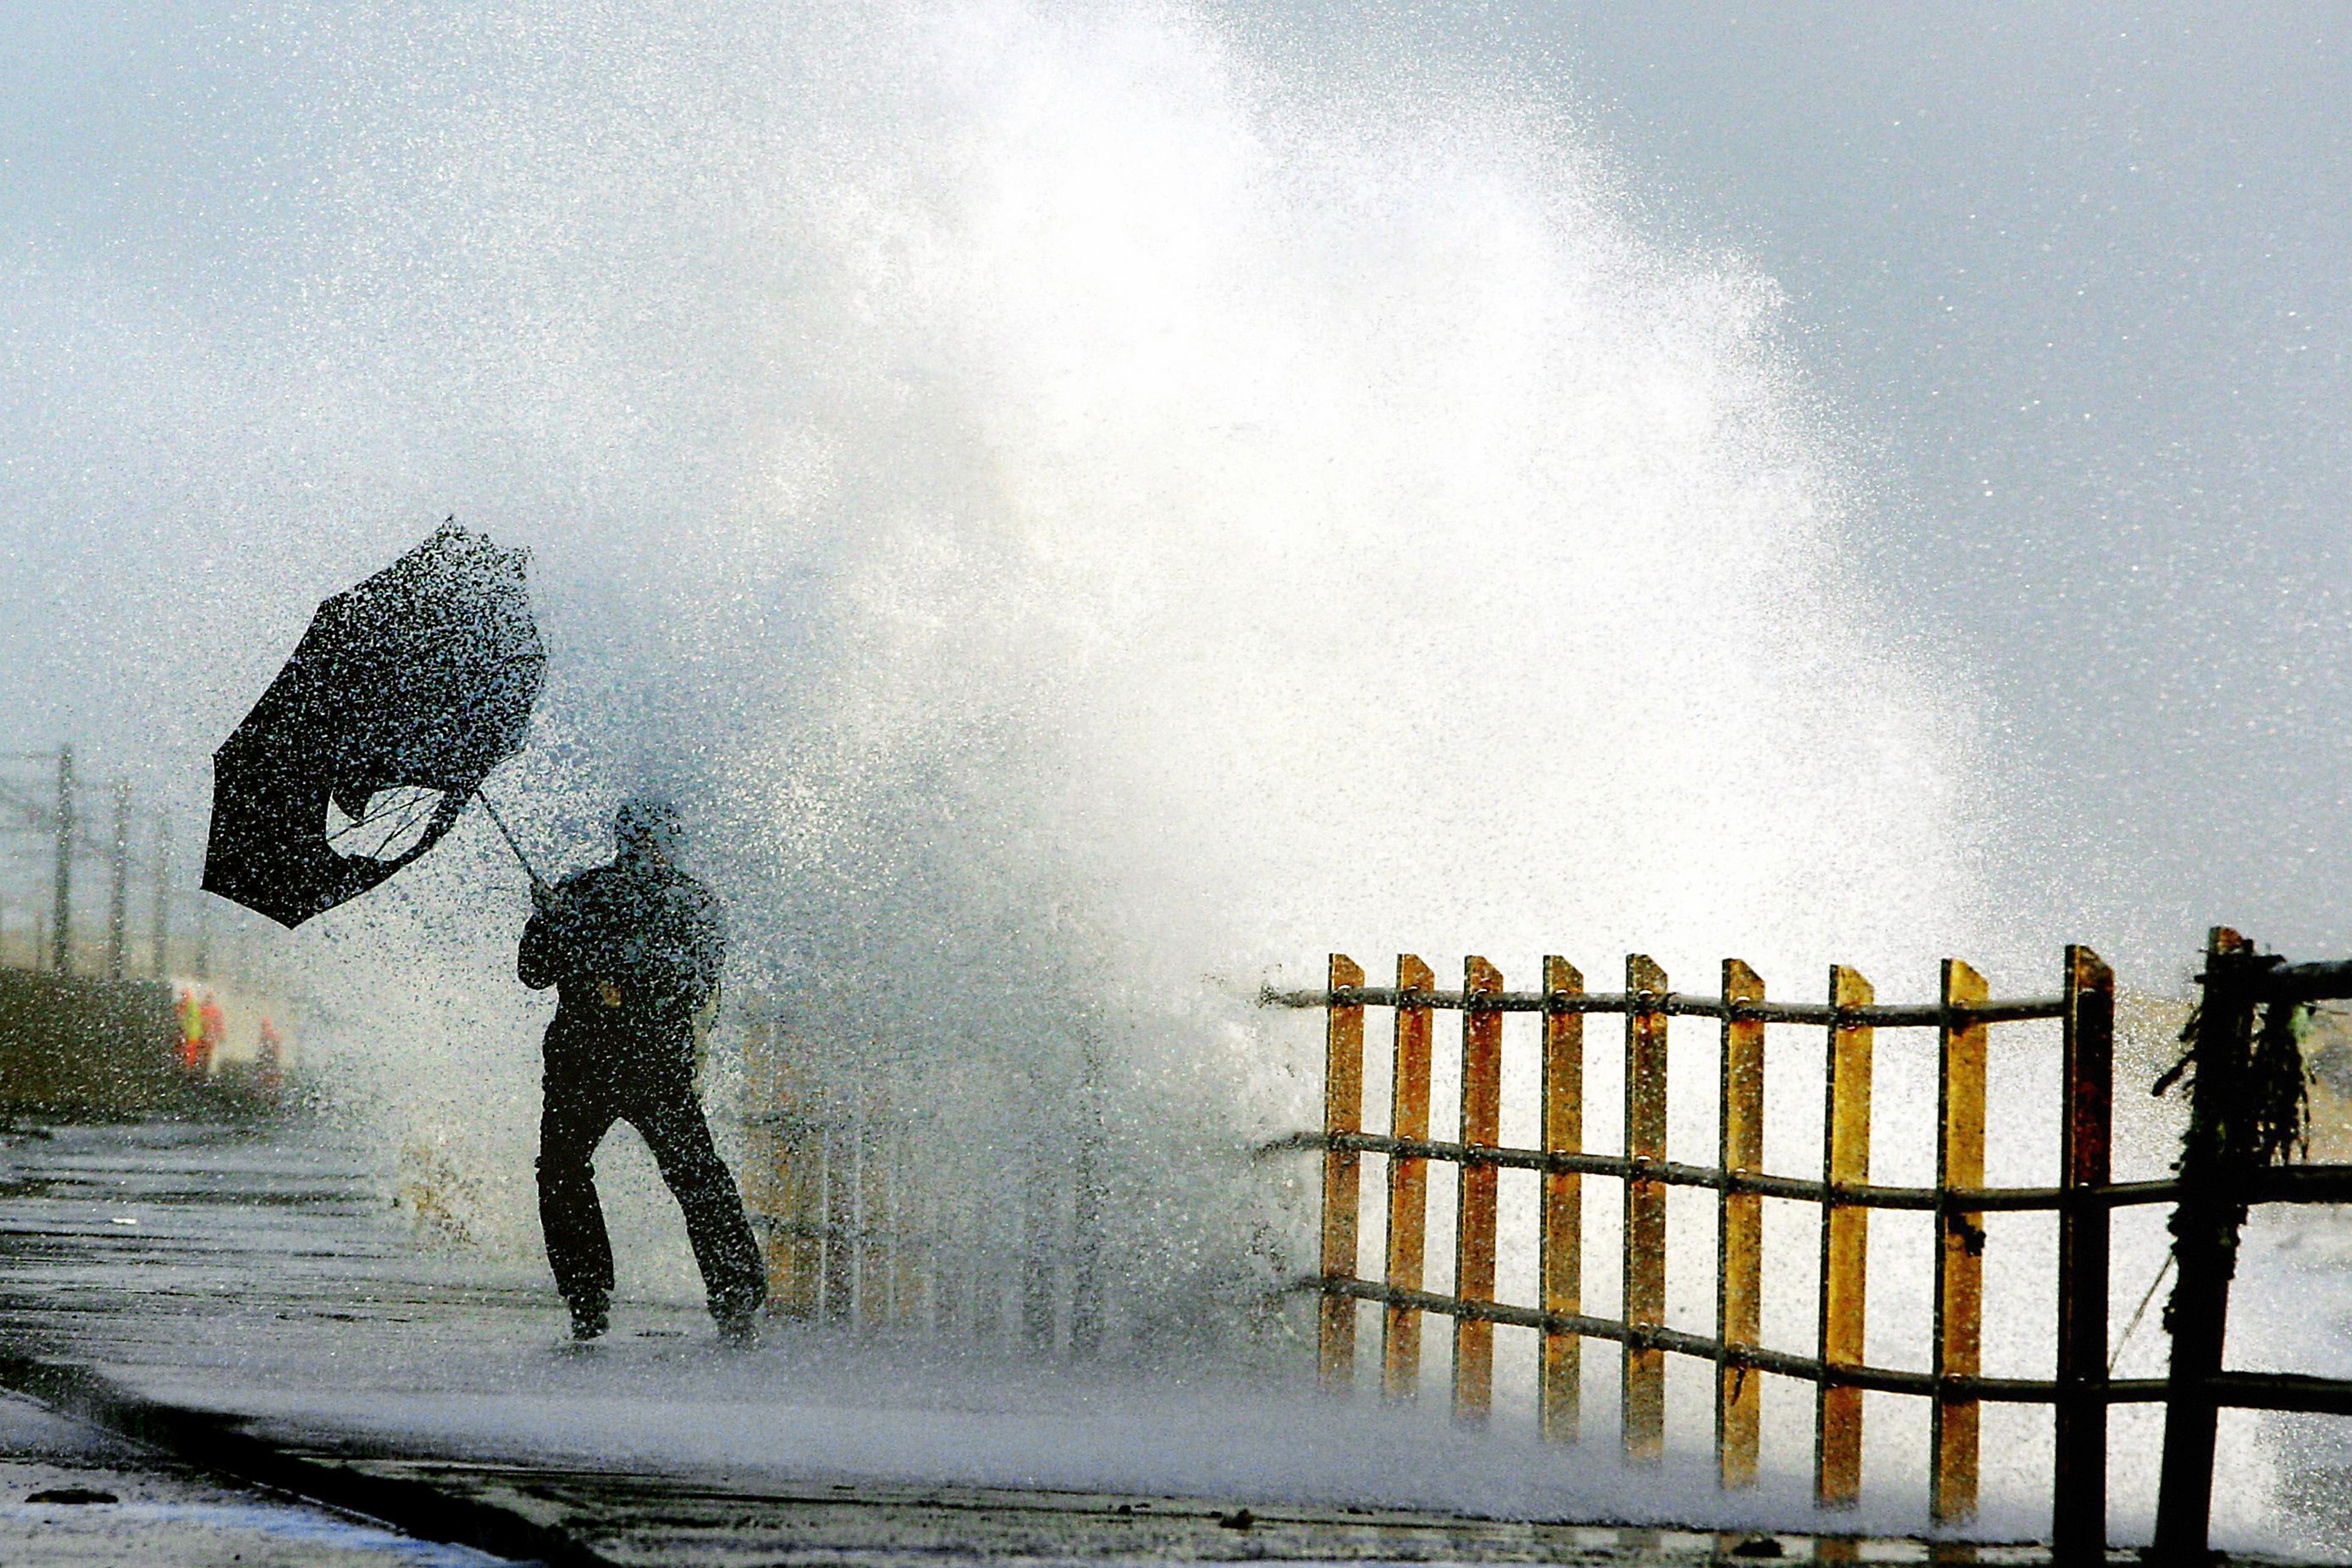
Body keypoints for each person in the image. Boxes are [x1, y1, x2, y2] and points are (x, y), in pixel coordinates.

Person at [518, 796, 766, 1343]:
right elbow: (535, 969)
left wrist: (591, 948)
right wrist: (546, 921)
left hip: (616, 1062)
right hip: (620, 1063)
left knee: (576, 1173)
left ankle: (592, 1295)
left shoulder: (596, 896)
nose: (648, 851)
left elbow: (693, 979)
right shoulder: (610, 897)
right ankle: (730, 1297)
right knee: (688, 1176)